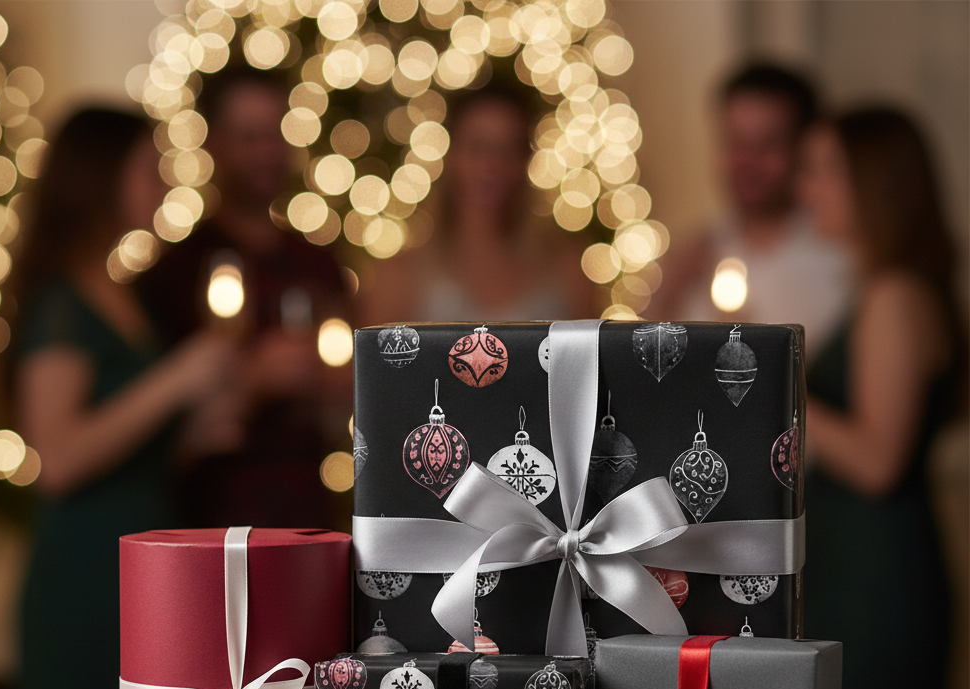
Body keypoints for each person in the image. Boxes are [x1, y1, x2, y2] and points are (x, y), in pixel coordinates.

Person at [11, 108, 233, 689]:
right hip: (84, 573)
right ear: (100, 179)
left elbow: (125, 438)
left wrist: (190, 434)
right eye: (149, 167)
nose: (164, 183)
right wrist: (176, 380)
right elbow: (58, 458)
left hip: (139, 562)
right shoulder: (62, 303)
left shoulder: (120, 293)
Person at [799, 107, 964, 689]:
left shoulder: (894, 295)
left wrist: (779, 392)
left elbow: (877, 459)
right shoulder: (886, 287)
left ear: (875, 183)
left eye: (823, 170)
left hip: (877, 579)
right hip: (863, 567)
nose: (806, 186)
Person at [137, 65, 350, 529]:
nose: (267, 153)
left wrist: (336, 386)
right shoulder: (173, 273)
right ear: (214, 144)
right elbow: (151, 428)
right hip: (211, 522)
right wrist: (251, 378)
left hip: (308, 513)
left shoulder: (317, 263)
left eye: (275, 135)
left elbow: (346, 393)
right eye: (249, 137)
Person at [650, 64, 850, 359]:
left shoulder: (841, 254)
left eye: (767, 144)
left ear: (803, 147)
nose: (747, 161)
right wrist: (665, 295)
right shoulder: (693, 255)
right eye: (736, 142)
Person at [361, 85, 599, 324]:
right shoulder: (400, 276)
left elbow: (592, 358)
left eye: (507, 149)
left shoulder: (566, 269)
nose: (491, 165)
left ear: (525, 162)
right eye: (477, 147)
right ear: (451, 156)